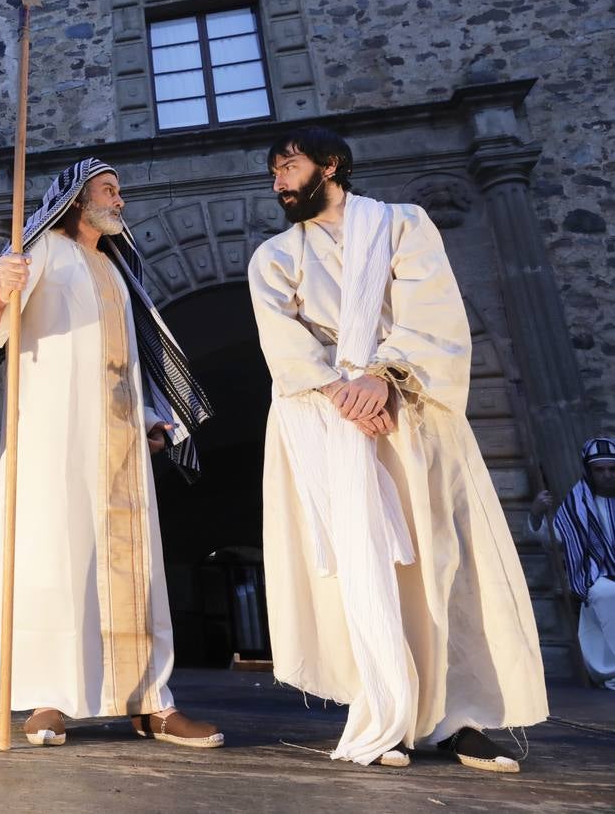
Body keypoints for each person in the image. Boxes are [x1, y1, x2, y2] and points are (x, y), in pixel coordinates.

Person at [248, 125, 548, 772]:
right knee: (358, 569)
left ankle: (463, 715)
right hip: (331, 425)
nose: (278, 181)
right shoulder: (275, 256)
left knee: (442, 559)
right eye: (273, 171)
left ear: (330, 165)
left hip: (409, 418)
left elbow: (430, 309)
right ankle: (383, 708)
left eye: (289, 166)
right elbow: (286, 343)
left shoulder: (403, 225)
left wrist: (382, 377)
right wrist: (344, 390)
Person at [0, 158, 220, 748]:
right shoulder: (41, 251)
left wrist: (150, 418)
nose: (120, 199)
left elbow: (124, 358)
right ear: (76, 199)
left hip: (117, 442)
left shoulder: (116, 271)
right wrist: (1, 289)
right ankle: (46, 699)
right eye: (109, 190)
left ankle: (149, 701)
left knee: (135, 568)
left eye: (119, 190)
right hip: (53, 437)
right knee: (54, 562)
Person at [530, 438, 615, 689]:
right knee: (606, 593)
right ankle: (610, 672)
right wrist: (536, 512)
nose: (607, 475)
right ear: (589, 471)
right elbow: (553, 540)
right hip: (595, 573)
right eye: (600, 470)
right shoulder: (577, 503)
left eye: (612, 469)